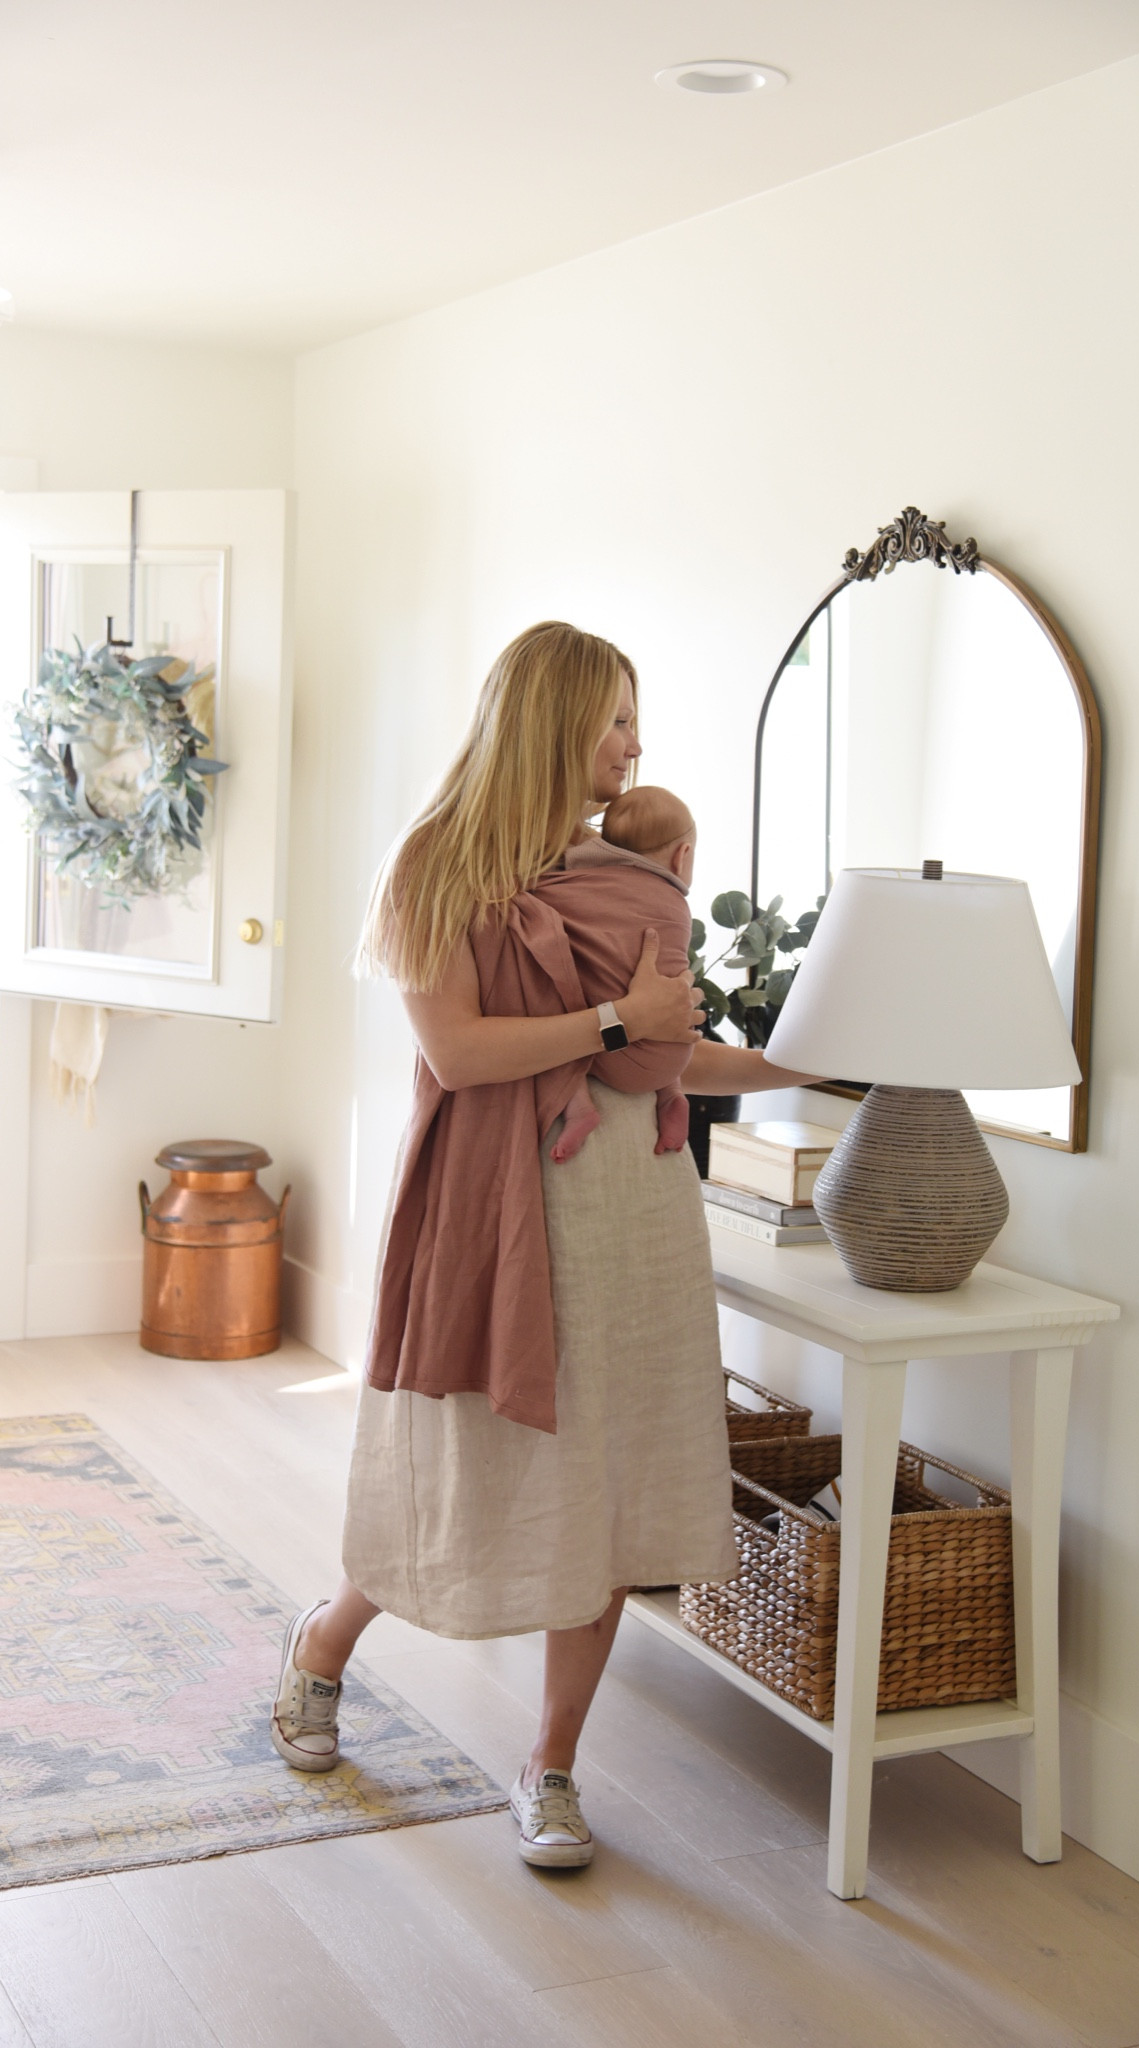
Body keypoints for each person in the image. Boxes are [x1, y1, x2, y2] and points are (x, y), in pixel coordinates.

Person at [269, 621, 816, 1869]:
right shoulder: (433, 866)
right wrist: (619, 1015)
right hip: (496, 1207)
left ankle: (552, 1763)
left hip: (636, 1209)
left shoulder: (628, 879)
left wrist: (807, 1059)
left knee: (608, 1489)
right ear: (555, 719)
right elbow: (458, 1053)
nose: (636, 743)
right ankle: (324, 1640)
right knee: (461, 1472)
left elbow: (664, 1056)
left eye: (637, 720)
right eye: (617, 718)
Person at [549, 783, 698, 1164]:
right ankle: (671, 1096)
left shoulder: (579, 887)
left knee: (551, 1013)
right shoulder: (675, 905)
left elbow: (536, 904)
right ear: (682, 857)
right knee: (672, 988)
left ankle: (579, 1106)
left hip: (608, 1053)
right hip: (675, 1051)